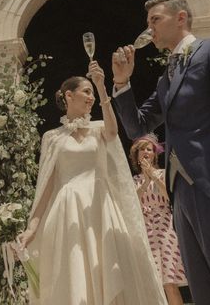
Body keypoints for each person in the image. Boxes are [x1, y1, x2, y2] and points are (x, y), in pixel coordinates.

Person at [112, 0, 210, 304]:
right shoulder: (165, 80)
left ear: (180, 18)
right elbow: (137, 128)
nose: (149, 30)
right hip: (180, 194)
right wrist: (121, 82)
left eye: (155, 20)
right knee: (203, 290)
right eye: (148, 24)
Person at [17, 61, 167, 304]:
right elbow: (46, 186)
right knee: (75, 273)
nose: (91, 98)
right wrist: (32, 228)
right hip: (68, 209)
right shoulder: (52, 138)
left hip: (100, 205)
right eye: (86, 91)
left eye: (92, 93)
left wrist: (101, 86)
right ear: (69, 95)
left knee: (108, 268)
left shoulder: (99, 128)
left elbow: (112, 132)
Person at [130, 134, 186, 305]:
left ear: (154, 154)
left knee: (170, 282)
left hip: (165, 226)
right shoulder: (133, 180)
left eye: (150, 149)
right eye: (143, 149)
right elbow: (132, 203)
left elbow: (170, 197)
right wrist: (145, 182)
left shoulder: (163, 173)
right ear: (136, 155)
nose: (146, 152)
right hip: (145, 228)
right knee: (151, 282)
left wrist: (153, 177)